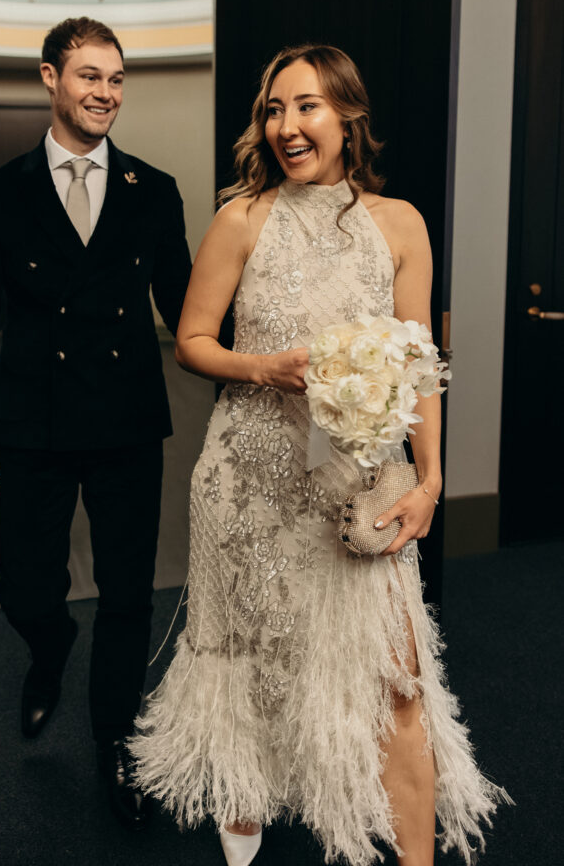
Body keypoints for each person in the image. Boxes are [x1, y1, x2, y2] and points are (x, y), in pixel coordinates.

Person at [130, 43, 510, 865]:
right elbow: (192, 340)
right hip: (249, 476)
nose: (285, 125)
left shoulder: (398, 223)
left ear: (346, 116)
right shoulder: (242, 217)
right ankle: (245, 807)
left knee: (396, 681)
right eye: (272, 108)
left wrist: (431, 482)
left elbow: (418, 367)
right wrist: (260, 366)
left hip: (359, 487)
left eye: (304, 106)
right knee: (248, 664)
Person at [0, 17, 191, 831]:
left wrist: (259, 363)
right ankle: (47, 649)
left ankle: (117, 744)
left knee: (127, 597)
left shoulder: (151, 190)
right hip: (28, 421)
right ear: (49, 78)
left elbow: (187, 306)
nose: (105, 94)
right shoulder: (0, 190)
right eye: (89, 76)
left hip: (125, 421)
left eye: (116, 79)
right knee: (25, 586)